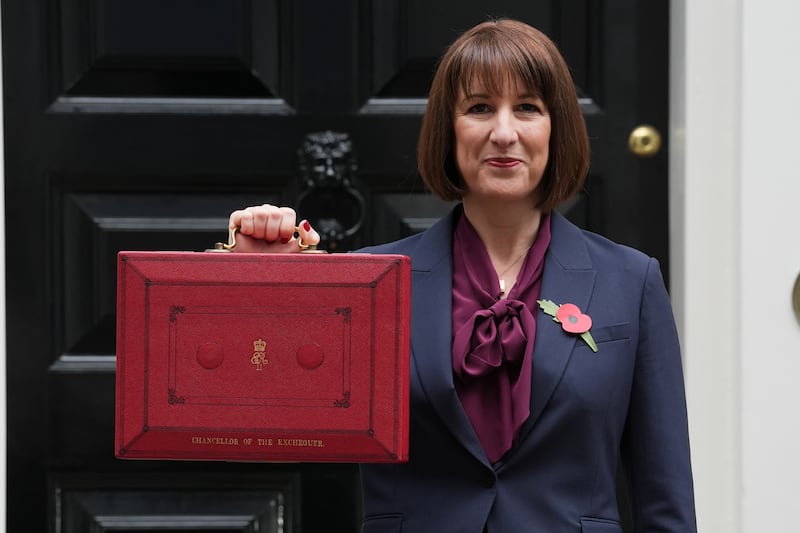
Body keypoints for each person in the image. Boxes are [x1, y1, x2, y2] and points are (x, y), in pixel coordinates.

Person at [228, 18, 696, 533]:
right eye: (478, 108)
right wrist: (258, 277)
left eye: (527, 108)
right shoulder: (373, 283)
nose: (503, 131)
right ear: (447, 131)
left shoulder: (631, 281)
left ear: (555, 127)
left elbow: (664, 500)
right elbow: (259, 416)